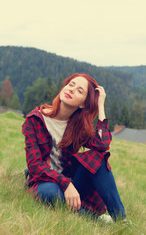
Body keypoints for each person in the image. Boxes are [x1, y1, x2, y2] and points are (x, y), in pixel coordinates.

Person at [22, 73, 126, 222]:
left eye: (79, 90)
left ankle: (121, 220)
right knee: (52, 192)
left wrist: (100, 106)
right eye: (71, 84)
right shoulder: (35, 119)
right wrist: (65, 183)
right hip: (44, 183)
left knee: (98, 158)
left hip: (72, 185)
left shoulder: (77, 127)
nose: (71, 89)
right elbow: (34, 166)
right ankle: (96, 220)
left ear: (83, 104)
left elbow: (102, 145)